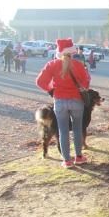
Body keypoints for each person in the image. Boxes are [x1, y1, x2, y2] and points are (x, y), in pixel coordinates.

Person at [36, 38, 90, 168]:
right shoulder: (78, 65)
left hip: (60, 101)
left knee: (63, 131)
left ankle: (67, 160)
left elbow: (40, 82)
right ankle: (79, 157)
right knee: (77, 129)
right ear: (72, 51)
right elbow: (86, 83)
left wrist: (51, 90)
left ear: (58, 52)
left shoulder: (52, 64)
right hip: (77, 101)